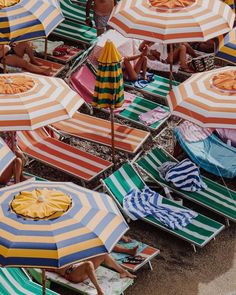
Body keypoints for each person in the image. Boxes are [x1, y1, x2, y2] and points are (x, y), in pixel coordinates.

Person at [49, 254, 136, 295]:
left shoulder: (64, 251)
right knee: (88, 264)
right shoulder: (51, 259)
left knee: (103, 255)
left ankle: (123, 271)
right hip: (72, 274)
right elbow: (48, 268)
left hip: (79, 267)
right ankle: (99, 291)